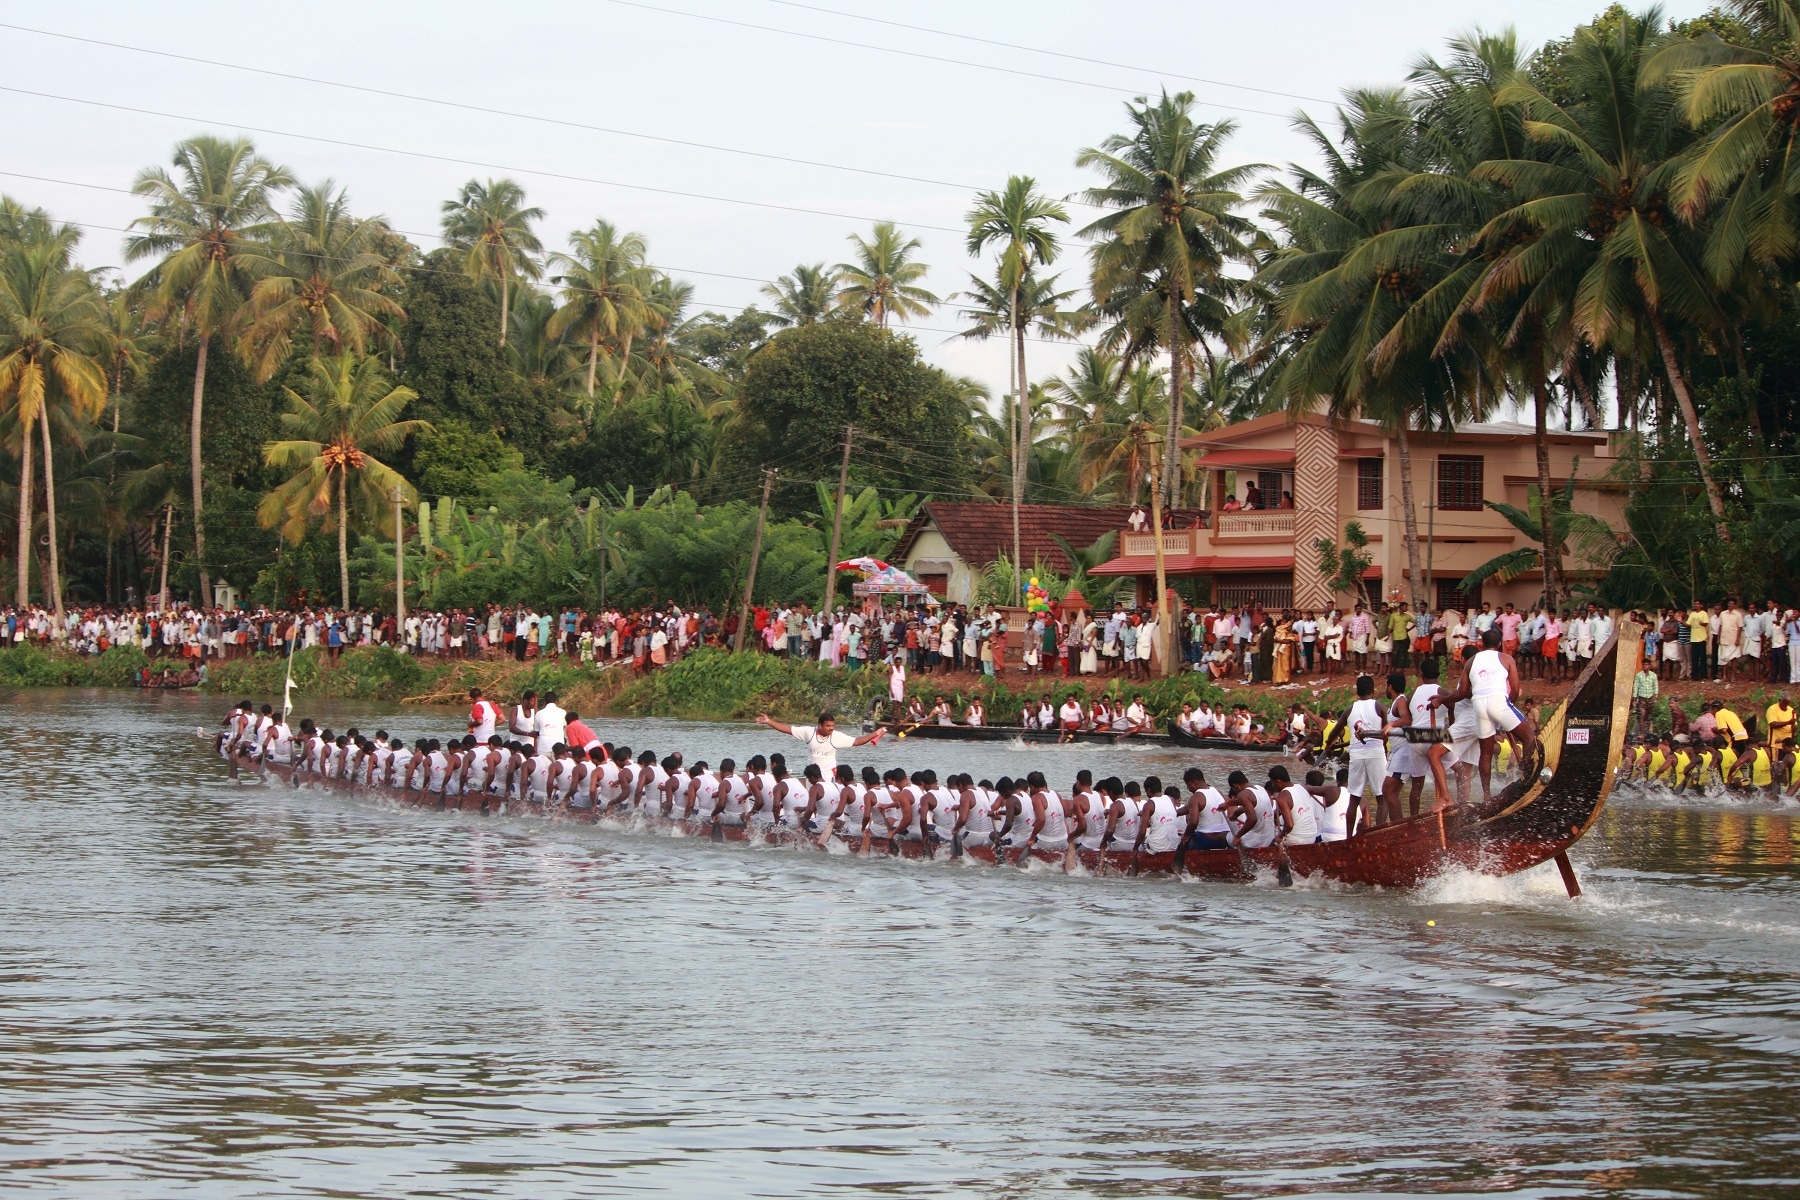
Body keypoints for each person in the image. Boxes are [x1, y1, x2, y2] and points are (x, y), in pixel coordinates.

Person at [1342, 673, 1390, 834]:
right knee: (1381, 797)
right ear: (1373, 690)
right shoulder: (1379, 707)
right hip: (1376, 753)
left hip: (1355, 755)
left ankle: (1348, 838)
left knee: (1354, 799)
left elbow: (1336, 730)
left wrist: (1328, 745)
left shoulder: (1349, 709)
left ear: (1357, 691)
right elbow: (1387, 733)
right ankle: (1379, 834)